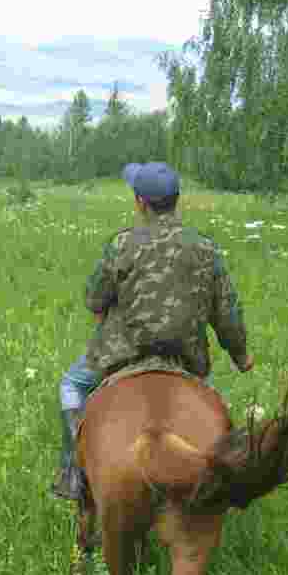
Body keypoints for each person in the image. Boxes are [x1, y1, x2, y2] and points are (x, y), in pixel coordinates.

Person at [51, 162, 255, 501]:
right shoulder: (206, 248)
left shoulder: (121, 244)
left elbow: (94, 299)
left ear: (140, 202)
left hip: (121, 354)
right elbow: (228, 314)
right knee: (213, 408)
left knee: (71, 385)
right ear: (177, 199)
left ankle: (74, 472)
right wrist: (241, 355)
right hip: (184, 359)